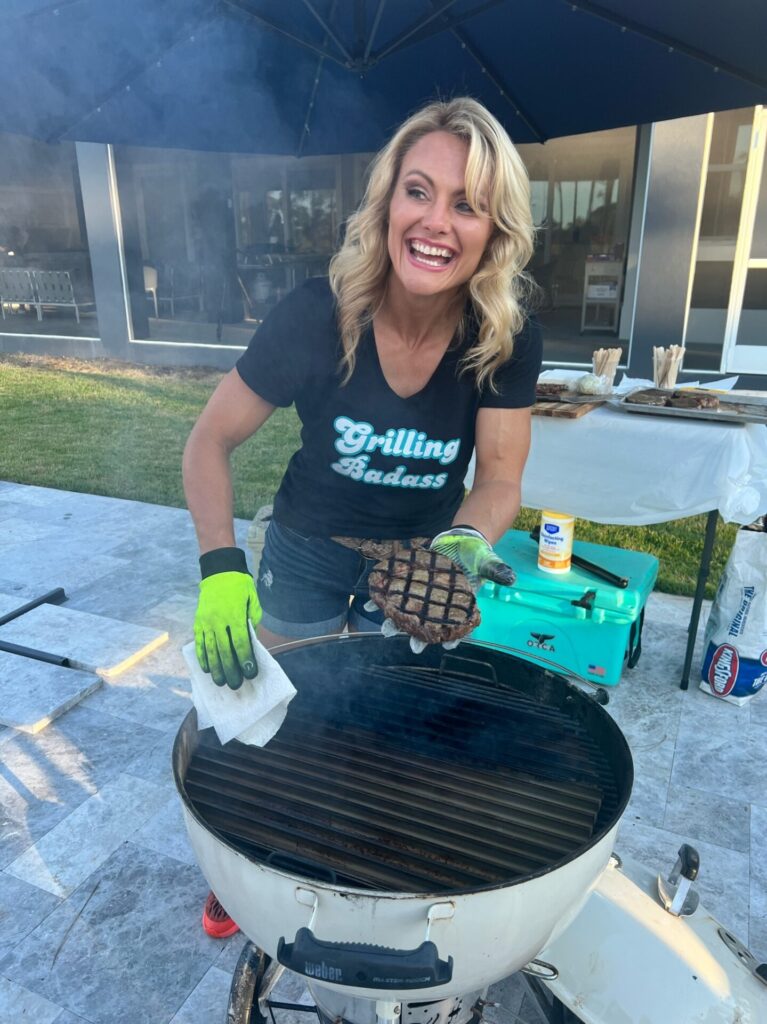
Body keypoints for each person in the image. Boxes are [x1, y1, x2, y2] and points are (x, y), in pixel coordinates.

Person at [182, 97, 542, 938]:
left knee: (379, 716)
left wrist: (463, 541)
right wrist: (220, 569)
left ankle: (350, 857)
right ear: (386, 202)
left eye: (467, 203)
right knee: (263, 714)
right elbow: (209, 442)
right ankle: (245, 868)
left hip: (419, 558)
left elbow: (497, 477)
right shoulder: (319, 312)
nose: (436, 221)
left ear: (494, 230)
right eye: (418, 191)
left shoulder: (501, 334)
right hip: (308, 546)